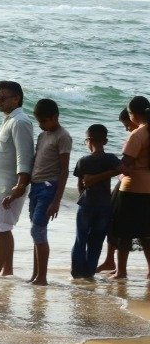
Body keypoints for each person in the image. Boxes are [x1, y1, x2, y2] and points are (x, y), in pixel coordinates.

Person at [0, 81, 35, 278]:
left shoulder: (20, 122)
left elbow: (25, 156)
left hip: (8, 186)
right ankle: (7, 272)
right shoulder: (10, 120)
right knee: (3, 229)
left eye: (2, 97)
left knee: (1, 231)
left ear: (16, 98)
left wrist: (20, 186)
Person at [26, 98, 72, 285]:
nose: (41, 125)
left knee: (37, 230)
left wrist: (57, 200)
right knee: (37, 233)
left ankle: (42, 277)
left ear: (55, 117)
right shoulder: (42, 135)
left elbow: (64, 170)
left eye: (44, 121)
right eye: (39, 121)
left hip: (49, 187)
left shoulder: (63, 136)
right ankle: (35, 274)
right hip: (36, 186)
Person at [70, 124, 119, 280]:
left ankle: (77, 273)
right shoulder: (111, 159)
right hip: (105, 205)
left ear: (87, 141)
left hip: (86, 204)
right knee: (96, 241)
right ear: (105, 141)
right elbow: (122, 169)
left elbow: (80, 186)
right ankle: (89, 272)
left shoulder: (83, 161)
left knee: (80, 239)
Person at [108, 95, 150, 277]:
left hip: (132, 189)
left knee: (123, 232)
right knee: (147, 234)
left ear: (133, 114)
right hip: (149, 189)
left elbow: (126, 165)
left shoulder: (138, 134)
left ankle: (121, 271)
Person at [98, 108, 135, 275]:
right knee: (113, 220)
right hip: (123, 182)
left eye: (127, 125)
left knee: (121, 225)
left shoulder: (139, 136)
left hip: (129, 185)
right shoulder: (138, 135)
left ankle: (114, 264)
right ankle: (109, 260)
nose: (126, 129)